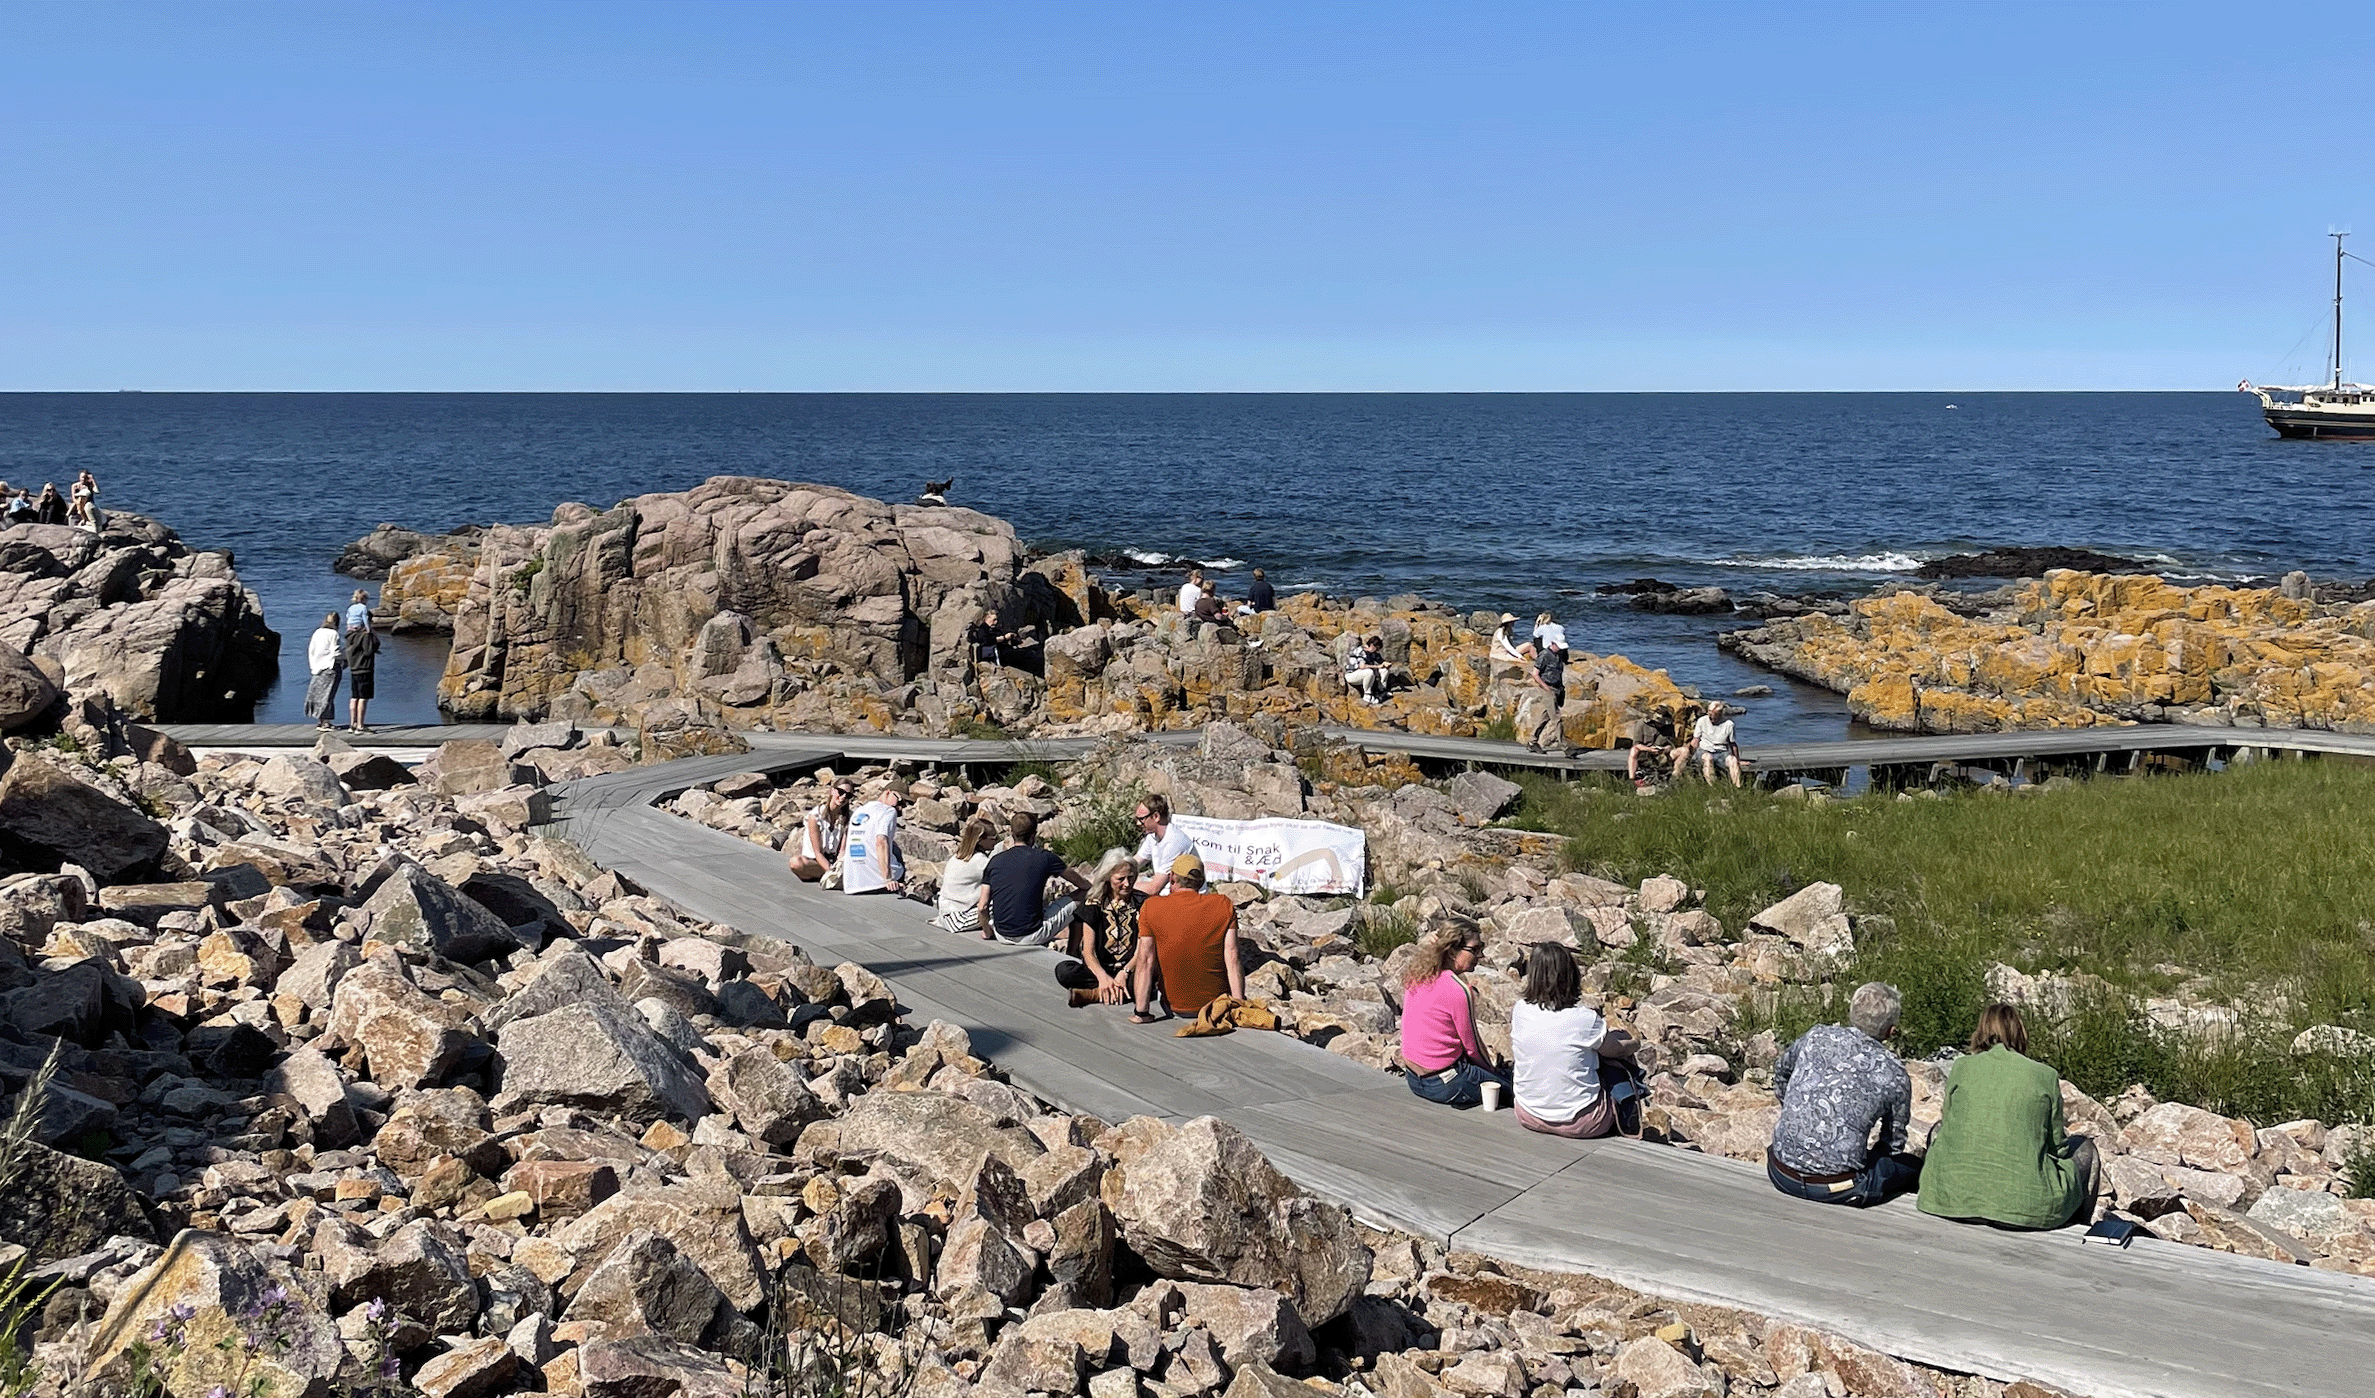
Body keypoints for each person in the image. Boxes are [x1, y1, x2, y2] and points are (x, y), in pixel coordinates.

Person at [1916, 1004, 2104, 1230]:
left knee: (1937, 1130)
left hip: (1947, 1199)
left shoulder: (1962, 1066)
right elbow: (2058, 1148)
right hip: (2025, 1207)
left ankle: (1947, 1183)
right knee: (2085, 1149)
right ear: (2019, 1032)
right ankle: (2077, 1224)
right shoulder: (2044, 1075)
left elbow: (1947, 1123)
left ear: (1981, 1031)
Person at [1766, 982, 1920, 1207]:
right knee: (1911, 1167)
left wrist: (1797, 1111)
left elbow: (1781, 1073)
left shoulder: (1816, 1036)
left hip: (1781, 1171)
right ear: (1890, 1031)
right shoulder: (1894, 1072)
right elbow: (1893, 1143)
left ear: (1852, 1012)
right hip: (1838, 1188)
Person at [1510, 942, 1643, 1137]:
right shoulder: (1584, 1018)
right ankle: (1628, 1117)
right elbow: (1617, 1050)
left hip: (1528, 1114)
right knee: (1615, 1059)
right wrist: (1635, 1042)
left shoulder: (1520, 1009)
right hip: (1583, 1122)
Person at [1397, 924, 1510, 1108]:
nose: (1480, 956)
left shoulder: (1417, 975)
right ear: (1452, 950)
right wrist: (1492, 1073)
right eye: (1474, 949)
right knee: (1511, 1088)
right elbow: (1472, 1047)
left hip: (1414, 1079)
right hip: (1445, 1084)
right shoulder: (1458, 990)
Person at [1129, 852, 1242, 1023]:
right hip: (1216, 1008)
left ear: (1172, 877)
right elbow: (1233, 958)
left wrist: (1141, 1013)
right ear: (1202, 881)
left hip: (1174, 1007)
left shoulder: (1152, 906)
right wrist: (1239, 1007)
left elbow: (1145, 961)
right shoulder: (1223, 905)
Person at [977, 812, 1089, 945]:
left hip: (1002, 934)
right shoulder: (1045, 857)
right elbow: (1080, 883)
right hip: (1033, 934)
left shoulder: (995, 861)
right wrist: (1092, 887)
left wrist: (987, 932)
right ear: (1033, 835)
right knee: (1086, 894)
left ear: (1012, 833)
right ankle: (1076, 949)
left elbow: (982, 906)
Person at [1056, 851, 1143, 1006]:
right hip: (1101, 969)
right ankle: (1111, 990)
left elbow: (1142, 949)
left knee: (1146, 980)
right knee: (1064, 971)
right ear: (1108, 877)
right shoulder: (1094, 904)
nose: (1127, 884)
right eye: (1120, 879)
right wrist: (1103, 977)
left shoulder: (1142, 903)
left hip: (1130, 970)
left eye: (1130, 877)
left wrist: (1125, 972)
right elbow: (1088, 952)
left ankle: (1094, 994)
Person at [840, 782, 908, 895]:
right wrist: (888, 879)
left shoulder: (860, 810)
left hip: (853, 883)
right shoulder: (889, 811)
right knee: (897, 853)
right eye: (900, 800)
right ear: (888, 792)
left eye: (904, 804)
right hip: (877, 882)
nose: (900, 807)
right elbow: (881, 841)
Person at [933, 817, 997, 932]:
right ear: (980, 839)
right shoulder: (980, 862)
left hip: (946, 912)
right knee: (999, 903)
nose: (996, 841)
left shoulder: (957, 857)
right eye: (993, 838)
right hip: (957, 918)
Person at [786, 780, 855, 882]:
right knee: (796, 862)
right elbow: (818, 853)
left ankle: (830, 876)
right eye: (840, 792)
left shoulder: (848, 817)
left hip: (835, 861)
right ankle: (830, 875)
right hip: (816, 861)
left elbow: (842, 850)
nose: (843, 797)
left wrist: (839, 865)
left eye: (848, 795)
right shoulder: (815, 816)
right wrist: (831, 871)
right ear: (832, 791)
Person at [1130, 794, 1195, 897]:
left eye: (1141, 819)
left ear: (1156, 817)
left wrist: (1118, 884)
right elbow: (1134, 863)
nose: (1138, 823)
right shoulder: (1152, 836)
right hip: (1167, 893)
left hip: (1185, 898)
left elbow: (1154, 888)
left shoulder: (1174, 841)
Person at [1524, 612, 1568, 752]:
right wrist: (1546, 688)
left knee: (1544, 716)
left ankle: (1532, 741)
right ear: (1553, 644)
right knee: (1556, 718)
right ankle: (1565, 747)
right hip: (1547, 688)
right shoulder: (1544, 656)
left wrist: (1560, 688)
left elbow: (1559, 672)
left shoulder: (1558, 656)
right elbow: (1535, 674)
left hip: (1556, 688)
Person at [304, 612, 344, 731]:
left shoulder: (318, 632)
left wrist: (313, 665)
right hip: (331, 667)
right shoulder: (334, 634)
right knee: (328, 695)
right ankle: (326, 722)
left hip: (318, 667)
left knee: (319, 694)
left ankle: (320, 720)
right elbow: (336, 652)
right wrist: (346, 657)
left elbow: (311, 649)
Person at [1691, 702, 1744, 788]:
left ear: (1720, 714)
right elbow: (1696, 739)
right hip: (1705, 751)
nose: (1711, 717)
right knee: (1708, 758)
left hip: (1721, 752)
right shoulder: (1702, 721)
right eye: (1710, 714)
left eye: (1714, 715)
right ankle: (1712, 786)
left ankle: (1737, 787)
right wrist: (1690, 752)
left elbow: (1732, 744)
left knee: (1732, 760)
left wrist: (1738, 759)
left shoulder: (1729, 724)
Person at [341, 621, 379, 733]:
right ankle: (360, 725)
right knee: (363, 697)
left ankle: (352, 724)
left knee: (354, 696)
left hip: (354, 669)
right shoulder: (365, 636)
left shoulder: (350, 636)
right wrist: (372, 633)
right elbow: (370, 650)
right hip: (365, 668)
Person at [1625, 708, 1679, 784]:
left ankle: (1674, 779)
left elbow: (1671, 744)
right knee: (1634, 750)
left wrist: (1664, 749)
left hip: (1662, 754)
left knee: (1681, 752)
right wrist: (1649, 749)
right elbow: (1637, 744)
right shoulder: (1642, 724)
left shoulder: (1669, 727)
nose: (1660, 724)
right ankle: (1632, 778)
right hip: (1645, 752)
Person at [1343, 633, 1389, 706]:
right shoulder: (1360, 650)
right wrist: (1377, 666)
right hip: (1351, 674)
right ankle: (1367, 695)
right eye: (1376, 648)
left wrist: (1386, 664)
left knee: (1384, 670)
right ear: (1371, 645)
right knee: (1369, 672)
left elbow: (1381, 661)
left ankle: (1381, 690)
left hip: (1362, 673)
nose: (1377, 651)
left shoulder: (1373, 653)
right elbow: (1362, 666)